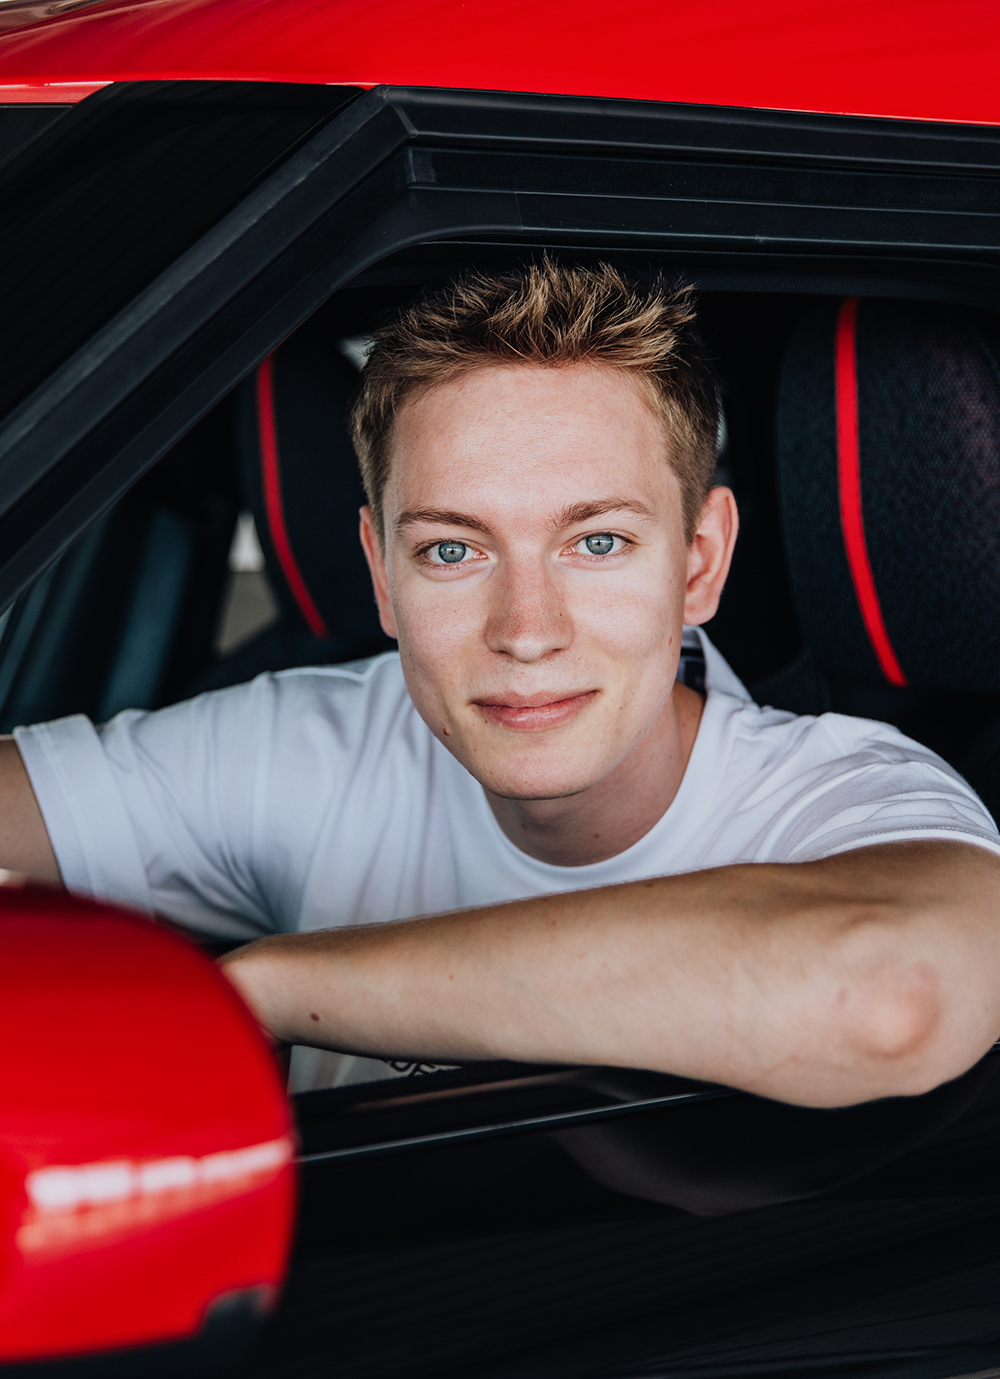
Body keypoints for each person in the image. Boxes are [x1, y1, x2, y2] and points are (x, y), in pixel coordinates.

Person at [2, 260, 1000, 1117]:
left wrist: (264, 984)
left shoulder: (847, 797)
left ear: (698, 564)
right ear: (381, 576)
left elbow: (891, 993)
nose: (526, 629)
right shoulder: (311, 739)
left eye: (597, 542)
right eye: (451, 549)